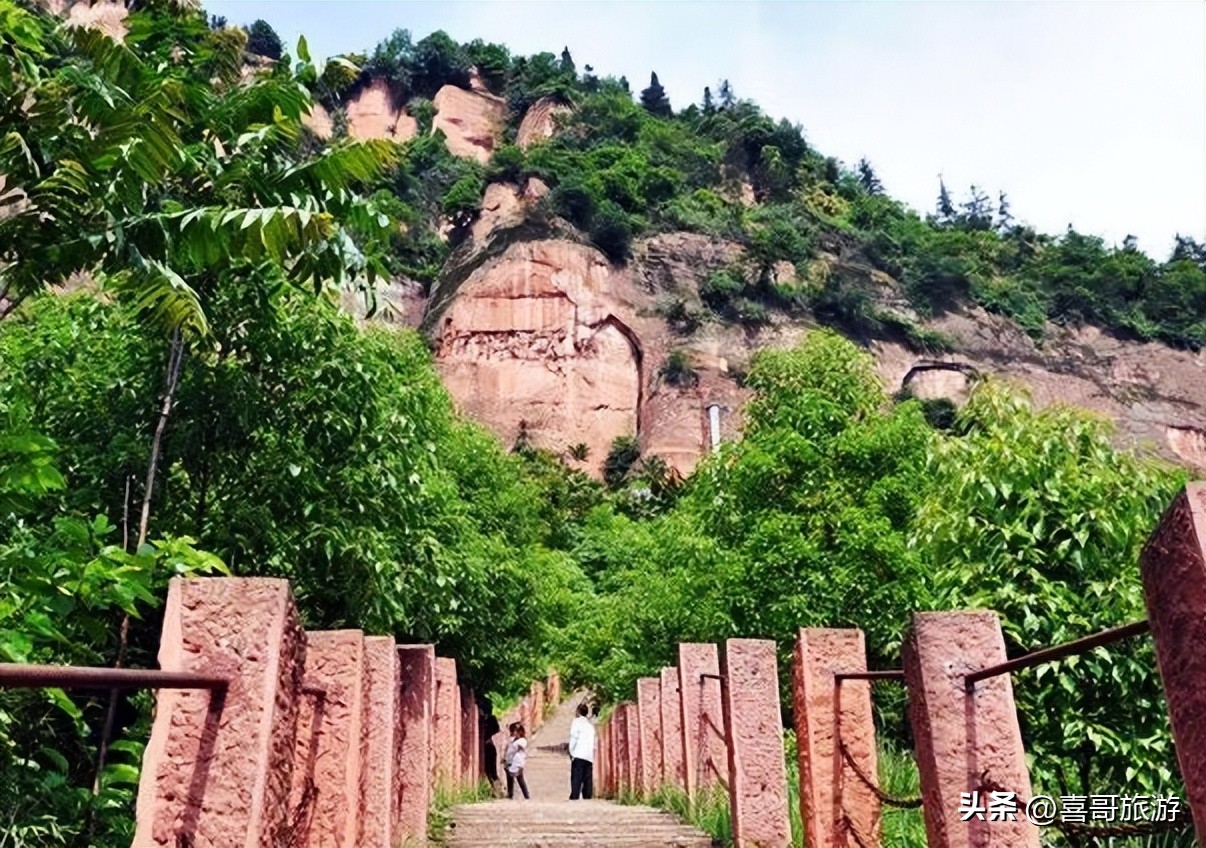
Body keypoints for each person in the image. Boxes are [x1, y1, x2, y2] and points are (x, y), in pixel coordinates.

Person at [567, 702, 595, 800]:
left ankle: (575, 796)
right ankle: (587, 796)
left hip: (578, 753)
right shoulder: (590, 726)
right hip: (589, 755)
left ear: (578, 712)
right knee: (587, 777)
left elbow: (574, 737)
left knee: (576, 776)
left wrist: (571, 751)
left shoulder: (576, 722)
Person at [503, 722, 530, 799]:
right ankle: (510, 794)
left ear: (520, 732)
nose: (512, 733)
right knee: (509, 778)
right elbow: (507, 749)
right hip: (509, 761)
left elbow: (520, 748)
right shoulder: (511, 740)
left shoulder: (522, 741)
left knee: (520, 778)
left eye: (514, 731)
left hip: (518, 763)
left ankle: (526, 795)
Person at [480, 699, 501, 796]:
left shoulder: (490, 719)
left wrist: (487, 736)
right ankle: (495, 789)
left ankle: (497, 790)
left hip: (489, 746)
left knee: (491, 769)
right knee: (487, 769)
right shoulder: (481, 719)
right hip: (486, 746)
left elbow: (496, 729)